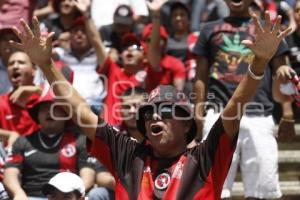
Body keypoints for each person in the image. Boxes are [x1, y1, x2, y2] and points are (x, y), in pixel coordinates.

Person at [9, 10, 291, 199]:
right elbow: (81, 111)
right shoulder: (127, 155)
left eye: (167, 111)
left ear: (186, 125)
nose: (155, 117)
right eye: (149, 114)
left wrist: (260, 62)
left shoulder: (204, 158)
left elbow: (236, 104)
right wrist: (46, 65)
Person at [192, 0, 295, 199]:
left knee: (263, 192)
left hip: (259, 114)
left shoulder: (268, 30)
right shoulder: (208, 29)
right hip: (218, 115)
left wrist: (288, 114)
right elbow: (200, 76)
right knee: (211, 189)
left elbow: (282, 74)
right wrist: (198, 113)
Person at [3, 90, 95, 200]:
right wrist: (18, 193)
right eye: (44, 108)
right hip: (29, 197)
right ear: (37, 115)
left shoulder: (81, 140)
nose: (49, 112)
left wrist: (72, 196)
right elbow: (10, 174)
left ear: (66, 114)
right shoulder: (22, 142)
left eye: (55, 108)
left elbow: (88, 176)